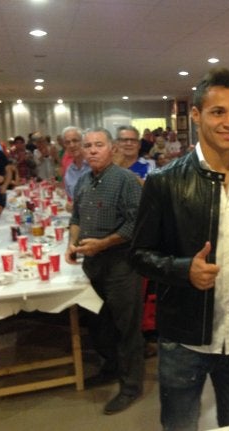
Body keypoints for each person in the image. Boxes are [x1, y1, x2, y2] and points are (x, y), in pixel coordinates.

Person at [129, 68, 229, 431]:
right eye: (218, 112)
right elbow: (138, 255)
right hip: (184, 342)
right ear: (196, 115)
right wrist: (184, 270)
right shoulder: (164, 182)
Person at [65, 127, 144, 415]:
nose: (92, 150)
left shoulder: (126, 181)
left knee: (127, 328)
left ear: (112, 148)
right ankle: (110, 368)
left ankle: (131, 386)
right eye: (88, 146)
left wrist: (103, 243)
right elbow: (76, 217)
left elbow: (136, 224)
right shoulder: (84, 180)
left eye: (98, 145)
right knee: (99, 323)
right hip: (92, 263)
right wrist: (72, 243)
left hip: (120, 263)